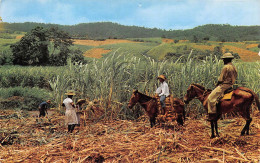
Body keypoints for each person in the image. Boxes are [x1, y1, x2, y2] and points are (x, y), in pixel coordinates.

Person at [207, 52, 237, 120]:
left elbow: (220, 79)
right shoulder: (233, 67)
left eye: (224, 59)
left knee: (210, 98)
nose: (223, 61)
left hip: (224, 85)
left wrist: (217, 84)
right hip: (230, 85)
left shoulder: (225, 67)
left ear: (226, 60)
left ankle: (212, 115)